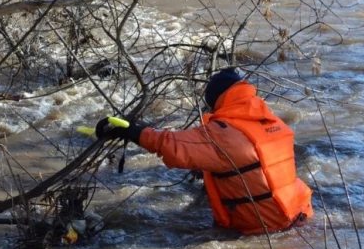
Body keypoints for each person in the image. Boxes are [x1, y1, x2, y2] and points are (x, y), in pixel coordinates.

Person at [95, 68, 313, 235]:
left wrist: (131, 132)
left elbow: (172, 146)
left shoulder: (223, 134)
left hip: (261, 230)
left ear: (216, 100)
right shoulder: (270, 121)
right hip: (299, 217)